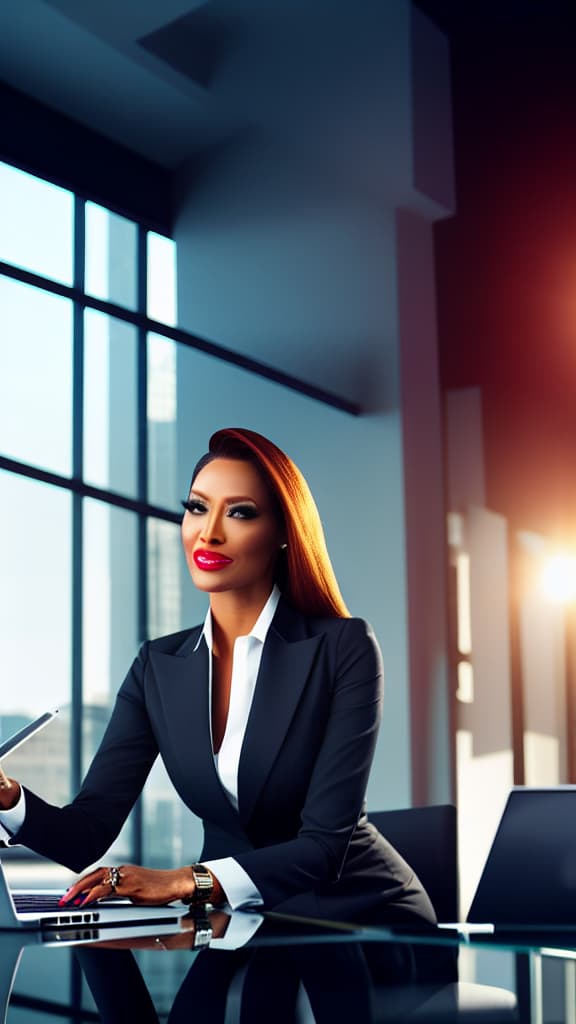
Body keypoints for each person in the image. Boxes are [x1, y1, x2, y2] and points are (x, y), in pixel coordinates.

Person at [0, 427, 435, 926]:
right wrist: (8, 797)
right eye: (197, 508)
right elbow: (87, 833)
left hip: (359, 919)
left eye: (240, 512)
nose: (209, 533)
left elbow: (323, 847)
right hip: (241, 920)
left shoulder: (343, 647)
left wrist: (187, 880)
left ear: (284, 533)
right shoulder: (158, 667)